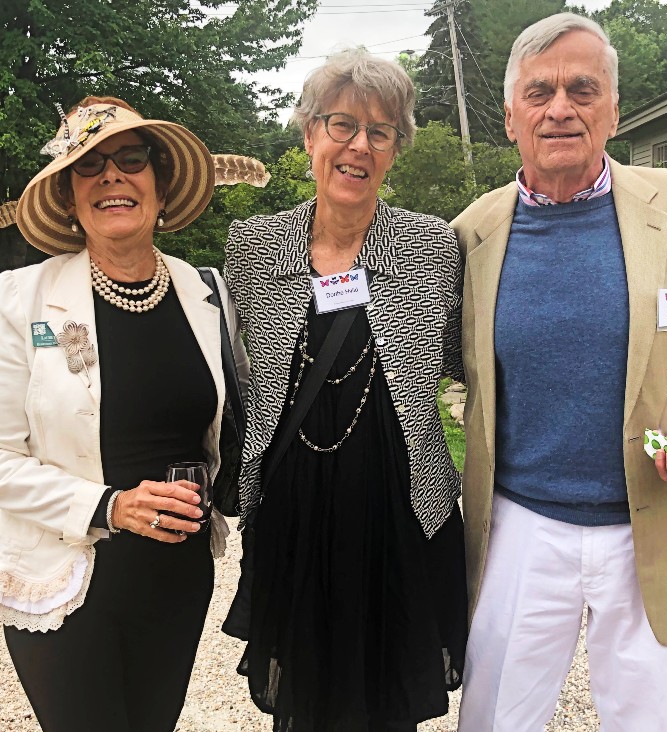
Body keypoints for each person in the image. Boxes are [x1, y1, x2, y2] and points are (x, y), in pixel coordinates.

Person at [451, 14, 667, 732]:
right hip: (520, 526)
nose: (561, 107)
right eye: (540, 92)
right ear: (509, 118)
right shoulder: (471, 234)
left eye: (582, 88)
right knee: (495, 721)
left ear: (613, 110)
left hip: (653, 522)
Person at [0, 96, 247, 732]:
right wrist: (111, 506)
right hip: (65, 576)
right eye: (90, 165)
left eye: (132, 159)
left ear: (159, 184)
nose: (113, 176)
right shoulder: (23, 298)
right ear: (68, 196)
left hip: (175, 577)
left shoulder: (206, 293)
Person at [222, 48, 467, 732]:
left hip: (396, 509)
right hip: (294, 512)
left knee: (388, 699)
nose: (359, 145)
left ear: (395, 150)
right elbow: (234, 375)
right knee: (300, 700)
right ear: (309, 135)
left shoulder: (432, 247)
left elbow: (472, 356)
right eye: (341, 124)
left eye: (380, 131)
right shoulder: (254, 246)